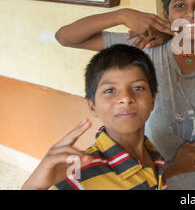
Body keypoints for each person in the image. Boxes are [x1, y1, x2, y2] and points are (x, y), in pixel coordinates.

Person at [54, 0, 195, 190]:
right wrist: (120, 15)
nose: (190, 14)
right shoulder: (145, 47)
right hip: (144, 175)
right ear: (165, 14)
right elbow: (65, 37)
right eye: (179, 6)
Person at [22, 44, 169, 190]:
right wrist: (33, 187)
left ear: (152, 100)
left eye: (138, 87)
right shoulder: (78, 174)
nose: (125, 98)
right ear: (93, 106)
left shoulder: (153, 155)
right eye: (110, 90)